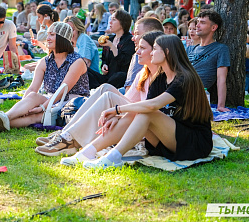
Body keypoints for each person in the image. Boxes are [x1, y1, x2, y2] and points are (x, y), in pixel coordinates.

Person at [61, 34, 213, 169]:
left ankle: (113, 157)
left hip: (194, 142)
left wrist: (117, 110)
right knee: (139, 112)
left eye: (154, 49)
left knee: (147, 113)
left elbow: (153, 106)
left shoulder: (184, 79)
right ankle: (89, 151)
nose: (152, 53)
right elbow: (143, 107)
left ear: (166, 52)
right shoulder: (160, 78)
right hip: (168, 139)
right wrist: (120, 118)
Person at [35, 31, 163, 157]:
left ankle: (68, 138)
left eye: (142, 47)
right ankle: (66, 133)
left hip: (149, 124)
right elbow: (129, 99)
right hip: (136, 114)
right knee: (105, 88)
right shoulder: (144, 73)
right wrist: (118, 115)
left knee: (109, 95)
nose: (137, 51)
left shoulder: (162, 77)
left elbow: (150, 109)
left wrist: (118, 112)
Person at [0, 22, 89, 131]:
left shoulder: (76, 62)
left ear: (63, 38)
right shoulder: (45, 61)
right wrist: (22, 107)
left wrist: (43, 107)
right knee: (32, 97)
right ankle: (0, 119)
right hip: (52, 100)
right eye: (48, 34)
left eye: (52, 35)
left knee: (37, 115)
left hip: (71, 103)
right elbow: (33, 88)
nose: (47, 38)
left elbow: (63, 90)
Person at [186, 11, 230, 112]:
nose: (197, 25)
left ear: (213, 28)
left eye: (202, 22)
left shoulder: (220, 49)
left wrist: (221, 106)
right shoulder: (190, 49)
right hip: (179, 87)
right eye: (197, 22)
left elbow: (221, 78)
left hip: (194, 92)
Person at [88, 9, 135, 89]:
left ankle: (101, 89)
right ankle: (99, 89)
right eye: (111, 19)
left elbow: (124, 63)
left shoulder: (130, 40)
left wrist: (112, 46)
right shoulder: (109, 38)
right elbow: (104, 59)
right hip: (107, 78)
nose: (110, 22)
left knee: (120, 76)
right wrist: (104, 65)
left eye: (114, 20)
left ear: (122, 23)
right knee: (85, 70)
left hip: (119, 79)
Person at [123, 17, 164, 92]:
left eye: (137, 34)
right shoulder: (142, 73)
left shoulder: (140, 56)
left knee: (107, 92)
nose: (133, 38)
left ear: (149, 35)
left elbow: (128, 91)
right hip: (134, 97)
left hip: (135, 99)